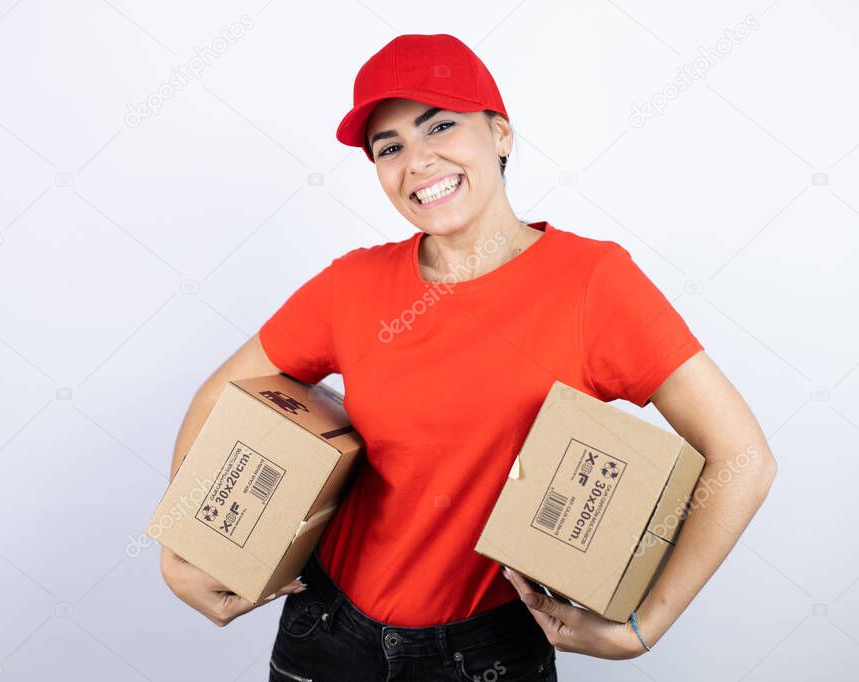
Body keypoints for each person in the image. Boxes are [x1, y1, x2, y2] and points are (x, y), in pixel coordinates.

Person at [160, 34, 778, 682]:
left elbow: (742, 458)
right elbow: (220, 394)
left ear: (501, 134)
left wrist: (643, 624)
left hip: (488, 653)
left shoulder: (593, 282)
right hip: (327, 633)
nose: (417, 161)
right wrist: (183, 545)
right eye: (389, 147)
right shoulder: (353, 285)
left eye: (440, 126)